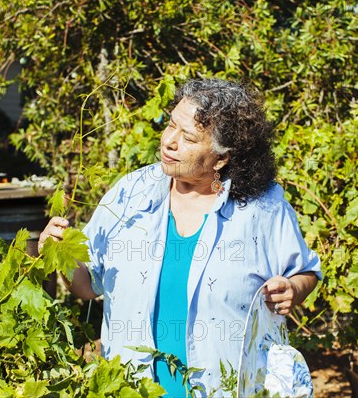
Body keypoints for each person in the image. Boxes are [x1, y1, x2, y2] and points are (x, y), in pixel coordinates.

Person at [38, 78, 322, 397]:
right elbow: (86, 286)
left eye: (187, 137)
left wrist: (294, 289)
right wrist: (59, 252)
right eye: (171, 125)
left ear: (222, 157)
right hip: (133, 389)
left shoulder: (263, 208)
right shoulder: (130, 194)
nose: (169, 142)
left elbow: (306, 270)